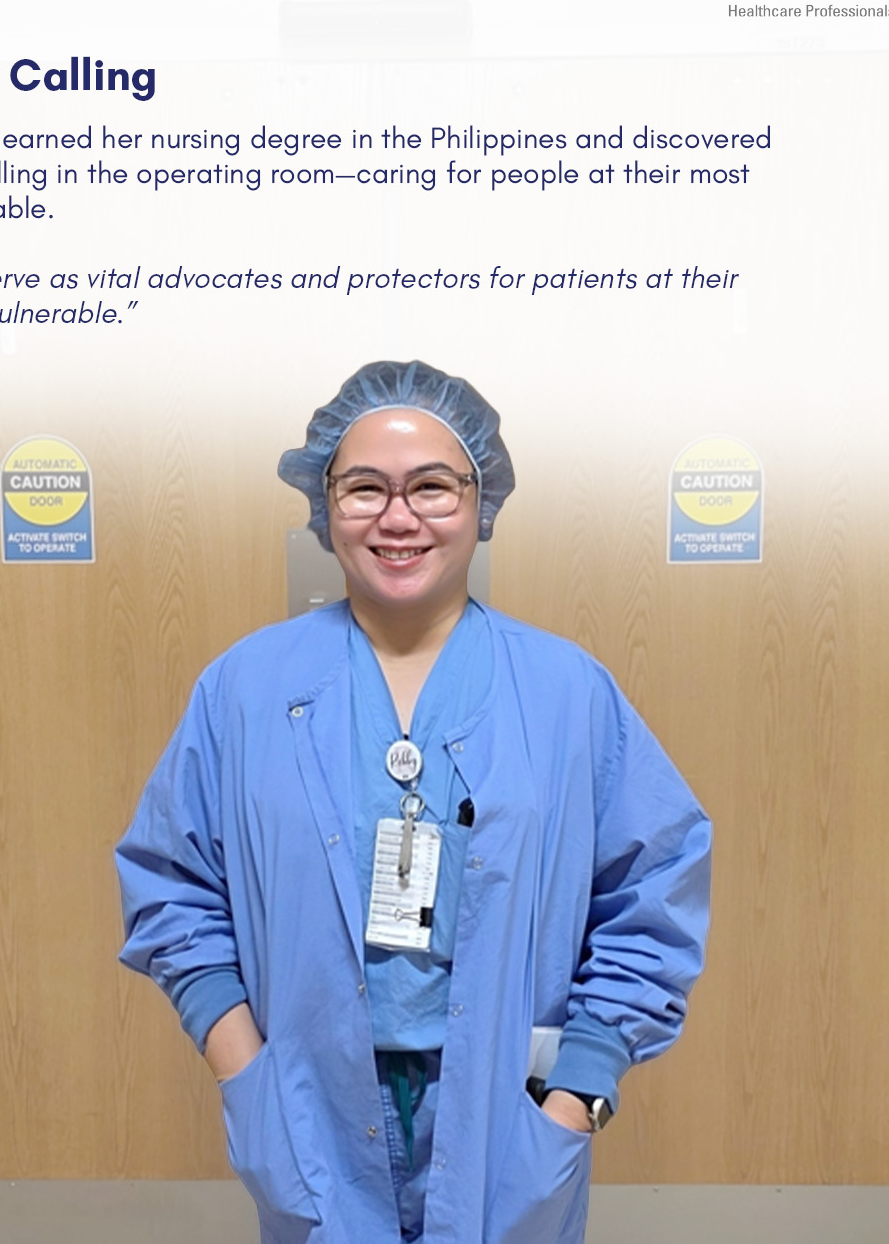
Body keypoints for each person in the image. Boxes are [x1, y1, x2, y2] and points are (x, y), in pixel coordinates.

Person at [116, 359, 711, 1244]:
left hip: (510, 1113)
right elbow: (171, 888)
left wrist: (578, 1090)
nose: (398, 517)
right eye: (365, 488)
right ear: (325, 505)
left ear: (481, 499)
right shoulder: (245, 688)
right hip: (309, 1107)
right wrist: (243, 1066)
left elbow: (654, 889)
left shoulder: (565, 691)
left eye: (432, 486)